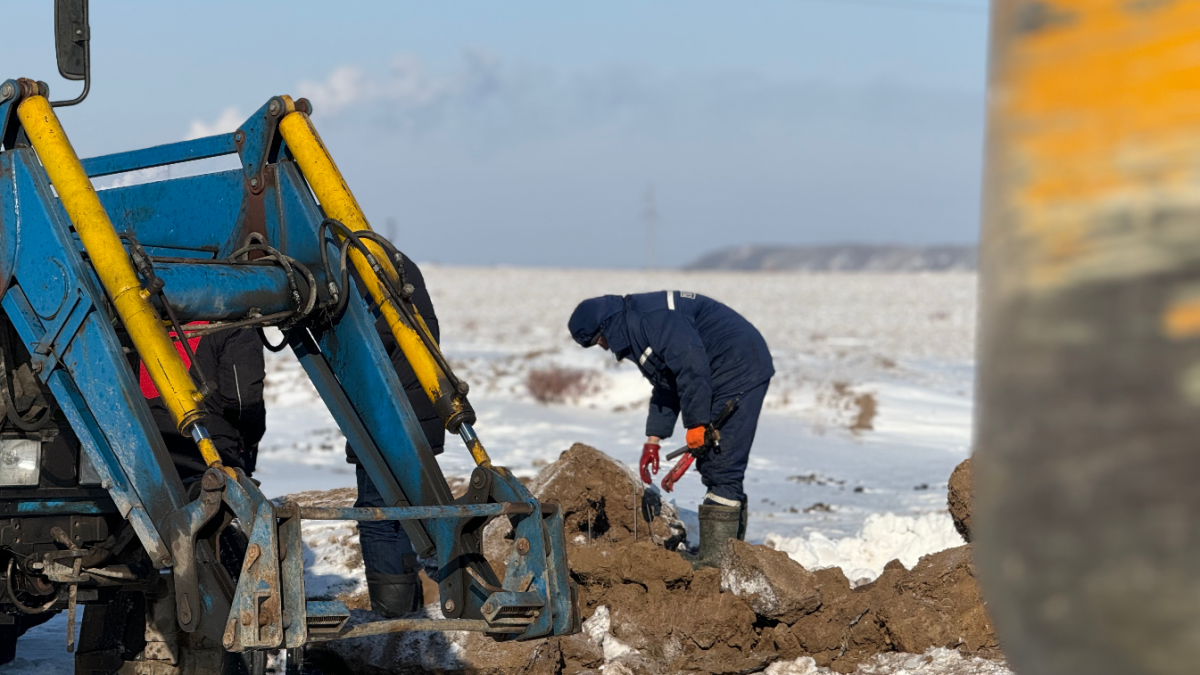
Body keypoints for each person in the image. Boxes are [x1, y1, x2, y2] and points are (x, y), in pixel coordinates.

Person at [568, 290, 773, 568]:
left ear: (606, 326)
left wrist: (696, 424)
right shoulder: (636, 327)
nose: (604, 347)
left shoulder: (651, 320)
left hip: (738, 365)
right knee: (715, 463)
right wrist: (653, 440)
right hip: (720, 368)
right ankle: (727, 554)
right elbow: (668, 383)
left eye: (599, 340)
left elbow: (691, 367)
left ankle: (716, 564)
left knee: (721, 464)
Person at [344, 255, 444, 618]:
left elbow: (361, 339)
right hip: (418, 409)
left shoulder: (359, 271)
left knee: (379, 517)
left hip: (387, 413)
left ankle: (394, 615)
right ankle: (416, 604)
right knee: (406, 512)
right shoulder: (395, 266)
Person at [140, 325, 266, 482]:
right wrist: (251, 438)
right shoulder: (233, 324)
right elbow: (244, 402)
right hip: (211, 458)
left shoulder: (125, 321)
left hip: (141, 457)